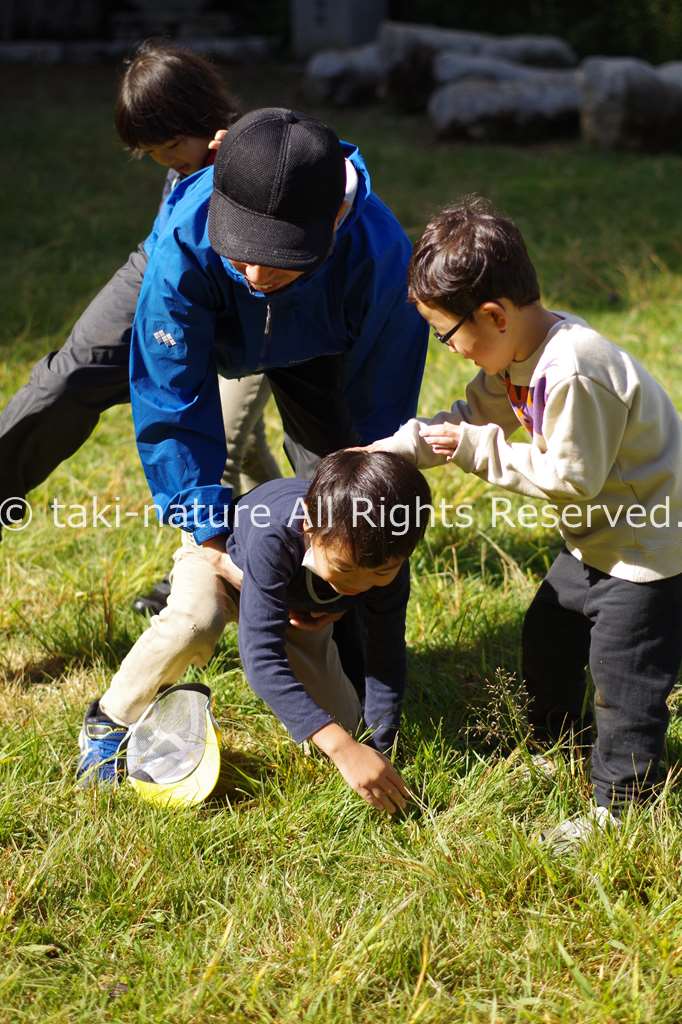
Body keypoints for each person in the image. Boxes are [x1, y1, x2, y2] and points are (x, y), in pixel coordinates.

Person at [371, 195, 682, 849]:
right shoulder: (515, 355)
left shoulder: (574, 370)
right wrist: (386, 452)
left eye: (447, 335)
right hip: (598, 538)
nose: (449, 350)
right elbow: (467, 421)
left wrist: (478, 452)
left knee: (625, 679)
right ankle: (559, 743)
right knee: (549, 636)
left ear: (492, 314)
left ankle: (623, 806)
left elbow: (572, 478)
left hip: (647, 548)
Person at [0, 41, 280, 578]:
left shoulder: (258, 151)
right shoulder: (184, 165)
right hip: (165, 269)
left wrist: (243, 162)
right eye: (153, 153)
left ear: (207, 116)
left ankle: (213, 576)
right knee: (65, 379)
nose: (168, 160)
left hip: (253, 297)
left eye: (172, 145)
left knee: (222, 443)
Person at [77, 450, 432, 815]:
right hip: (222, 565)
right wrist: (341, 748)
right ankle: (109, 719)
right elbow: (261, 659)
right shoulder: (276, 534)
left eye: (379, 574)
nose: (357, 585)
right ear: (310, 525)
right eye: (343, 568)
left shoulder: (386, 553)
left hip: (291, 604)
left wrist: (378, 746)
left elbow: (385, 655)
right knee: (195, 621)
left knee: (347, 728)